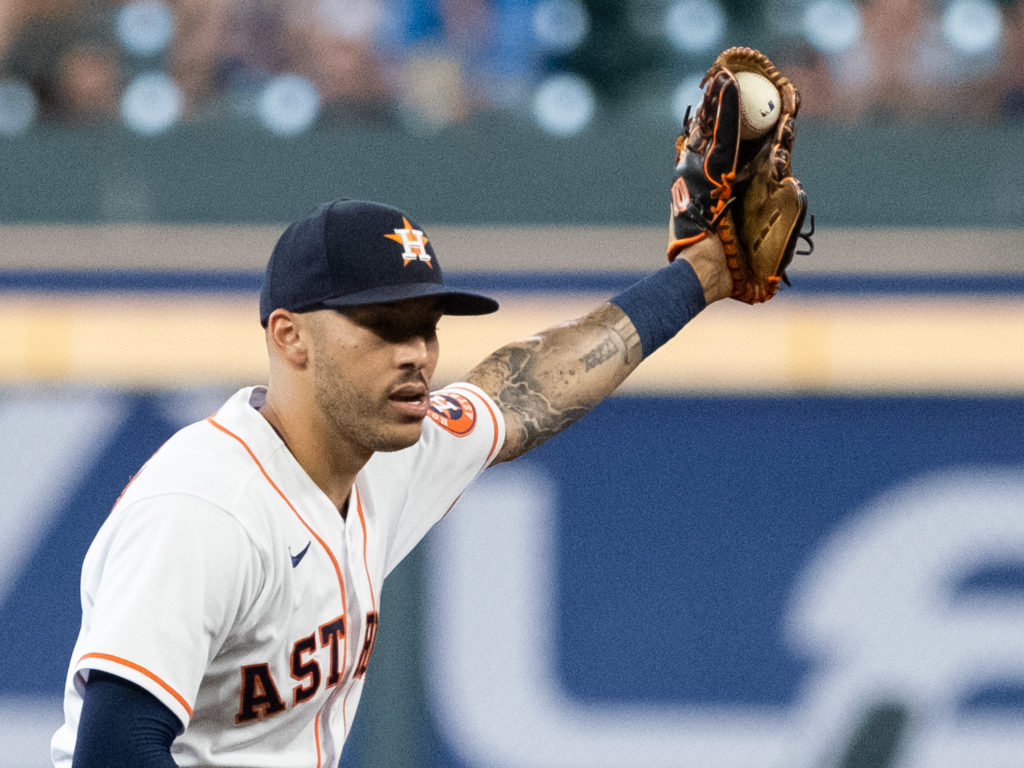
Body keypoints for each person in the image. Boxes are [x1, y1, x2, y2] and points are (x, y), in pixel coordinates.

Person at [51, 198, 732, 767]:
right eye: (381, 327)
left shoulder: (390, 449)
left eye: (425, 328)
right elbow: (115, 750)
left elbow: (528, 391)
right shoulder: (205, 508)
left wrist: (703, 273)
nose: (416, 354)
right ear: (291, 337)